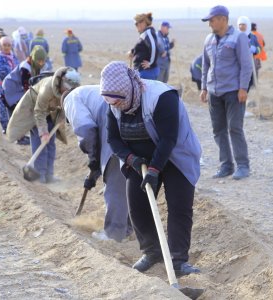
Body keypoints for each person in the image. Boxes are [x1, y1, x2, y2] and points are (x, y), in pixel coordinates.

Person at [100, 61, 202, 276]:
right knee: (137, 205)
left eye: (117, 100)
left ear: (126, 90)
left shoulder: (161, 97)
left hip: (175, 156)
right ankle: (152, 251)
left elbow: (168, 139)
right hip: (139, 159)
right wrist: (131, 159)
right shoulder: (113, 104)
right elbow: (113, 139)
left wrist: (155, 169)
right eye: (110, 101)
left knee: (179, 206)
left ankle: (178, 260)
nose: (114, 105)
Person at [62, 86, 132, 242]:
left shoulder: (70, 100)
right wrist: (94, 173)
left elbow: (87, 132)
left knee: (115, 184)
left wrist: (94, 161)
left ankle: (115, 233)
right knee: (130, 182)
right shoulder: (87, 92)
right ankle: (128, 228)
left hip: (114, 128)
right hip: (128, 122)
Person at [200, 5, 253, 180]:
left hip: (233, 91)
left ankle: (243, 165)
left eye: (212, 20)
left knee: (235, 128)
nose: (210, 24)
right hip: (214, 91)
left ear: (223, 19)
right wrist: (204, 88)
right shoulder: (208, 39)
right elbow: (205, 65)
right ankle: (226, 165)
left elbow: (246, 65)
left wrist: (243, 88)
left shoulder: (238, 38)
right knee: (218, 130)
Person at [6, 67, 81, 183]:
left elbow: (66, 105)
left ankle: (49, 175)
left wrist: (62, 118)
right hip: (34, 109)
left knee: (51, 144)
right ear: (62, 82)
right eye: (66, 89)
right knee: (40, 142)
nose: (67, 92)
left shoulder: (71, 90)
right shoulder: (48, 88)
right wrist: (43, 132)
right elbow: (39, 112)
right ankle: (39, 176)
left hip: (51, 110)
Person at [3, 45, 47, 145]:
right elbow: (27, 87)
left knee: (20, 112)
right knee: (18, 113)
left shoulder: (33, 65)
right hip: (11, 91)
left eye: (43, 61)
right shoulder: (25, 68)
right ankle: (18, 138)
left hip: (17, 90)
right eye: (39, 61)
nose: (41, 63)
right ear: (33, 58)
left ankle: (19, 136)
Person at [0, 36, 19, 134]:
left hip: (14, 88)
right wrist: (13, 74)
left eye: (9, 45)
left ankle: (13, 128)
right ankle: (5, 127)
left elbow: (18, 69)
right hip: (3, 89)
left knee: (14, 108)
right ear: (0, 46)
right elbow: (0, 72)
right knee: (3, 108)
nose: (7, 47)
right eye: (4, 45)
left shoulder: (14, 56)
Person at [128, 12, 159, 80]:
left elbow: (154, 47)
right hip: (142, 71)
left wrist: (151, 63)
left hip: (147, 72)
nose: (136, 26)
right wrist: (133, 51)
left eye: (136, 24)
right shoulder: (145, 34)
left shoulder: (148, 33)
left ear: (143, 23)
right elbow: (143, 48)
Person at [237, 16, 261, 89]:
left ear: (247, 25)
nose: (241, 27)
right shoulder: (235, 36)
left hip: (250, 61)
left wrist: (255, 50)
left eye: (243, 24)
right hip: (238, 62)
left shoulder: (253, 36)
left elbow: (259, 48)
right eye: (240, 25)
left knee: (250, 80)